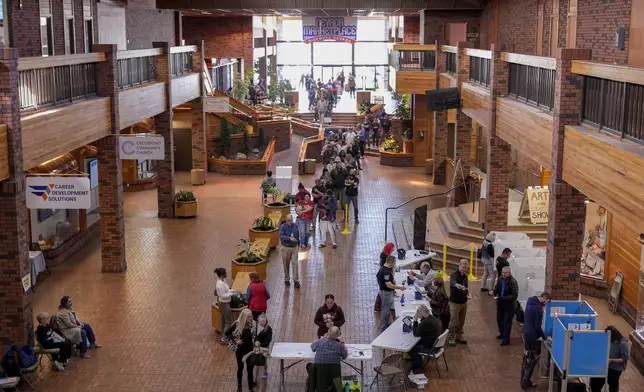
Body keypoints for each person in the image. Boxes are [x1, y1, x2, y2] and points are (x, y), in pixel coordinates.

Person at [520, 291, 550, 389]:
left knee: (526, 357)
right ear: (544, 298)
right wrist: (545, 337)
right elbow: (537, 327)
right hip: (532, 337)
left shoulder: (530, 300)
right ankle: (525, 381)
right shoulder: (538, 309)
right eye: (547, 302)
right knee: (533, 359)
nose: (545, 305)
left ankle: (523, 379)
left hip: (525, 334)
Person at [590, 325, 630, 392]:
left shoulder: (623, 344)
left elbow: (624, 359)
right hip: (605, 366)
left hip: (615, 368)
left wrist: (611, 360)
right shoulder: (609, 340)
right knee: (595, 382)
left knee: (613, 385)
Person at [225, 309, 256, 392]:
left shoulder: (253, 324)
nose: (251, 319)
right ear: (244, 318)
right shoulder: (237, 324)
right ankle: (239, 386)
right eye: (248, 317)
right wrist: (236, 340)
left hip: (250, 351)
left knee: (250, 370)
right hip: (240, 351)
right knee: (240, 368)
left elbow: (255, 336)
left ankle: (250, 388)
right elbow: (227, 333)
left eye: (251, 316)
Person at [309, 326, 347, 392]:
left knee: (320, 384)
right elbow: (344, 356)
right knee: (338, 385)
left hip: (320, 371)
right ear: (338, 335)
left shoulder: (320, 341)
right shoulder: (339, 345)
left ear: (328, 332)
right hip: (335, 373)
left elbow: (312, 347)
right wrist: (342, 343)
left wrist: (323, 338)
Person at [409, 305, 442, 373]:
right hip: (435, 343)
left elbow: (415, 333)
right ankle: (419, 362)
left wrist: (415, 321)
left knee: (411, 348)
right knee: (415, 344)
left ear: (421, 313)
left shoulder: (426, 322)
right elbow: (421, 329)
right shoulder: (431, 318)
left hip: (431, 347)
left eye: (417, 313)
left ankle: (418, 367)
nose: (416, 314)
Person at [377, 255, 405, 331]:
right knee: (385, 310)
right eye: (394, 262)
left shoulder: (384, 268)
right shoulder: (386, 272)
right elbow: (388, 284)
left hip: (385, 291)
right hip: (386, 293)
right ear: (390, 262)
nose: (395, 264)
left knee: (386, 309)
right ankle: (384, 327)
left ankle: (385, 324)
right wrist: (399, 288)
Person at [494, 266, 519, 346]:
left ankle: (506, 339)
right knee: (499, 320)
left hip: (509, 305)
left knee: (507, 322)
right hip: (500, 303)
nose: (503, 274)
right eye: (502, 272)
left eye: (505, 273)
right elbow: (497, 287)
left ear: (509, 273)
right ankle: (502, 334)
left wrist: (503, 298)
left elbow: (514, 295)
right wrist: (494, 291)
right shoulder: (500, 278)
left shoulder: (513, 282)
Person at [448, 260, 470, 346]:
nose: (464, 269)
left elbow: (466, 287)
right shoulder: (454, 275)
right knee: (454, 321)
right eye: (463, 267)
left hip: (464, 302)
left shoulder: (465, 276)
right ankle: (451, 337)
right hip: (455, 302)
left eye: (465, 267)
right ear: (459, 265)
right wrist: (457, 285)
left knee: (461, 321)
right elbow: (453, 282)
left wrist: (468, 293)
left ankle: (459, 335)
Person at [215, 268, 236, 343]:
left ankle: (223, 335)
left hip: (225, 302)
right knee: (229, 321)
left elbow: (226, 290)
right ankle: (224, 338)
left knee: (224, 320)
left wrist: (232, 290)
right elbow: (223, 295)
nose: (226, 274)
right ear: (222, 274)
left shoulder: (223, 281)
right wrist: (232, 294)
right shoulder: (219, 284)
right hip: (224, 303)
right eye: (225, 273)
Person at [279, 214, 300, 288]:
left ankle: (296, 280)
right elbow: (281, 236)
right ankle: (287, 279)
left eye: (290, 220)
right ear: (286, 220)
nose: (289, 222)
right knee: (286, 264)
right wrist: (289, 238)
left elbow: (297, 236)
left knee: (295, 264)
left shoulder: (295, 226)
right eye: (288, 220)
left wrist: (298, 245)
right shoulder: (283, 227)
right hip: (286, 248)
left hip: (294, 247)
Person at [251, 314, 273, 382]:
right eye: (261, 322)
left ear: (266, 321)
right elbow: (254, 336)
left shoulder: (268, 328)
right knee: (257, 362)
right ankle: (255, 378)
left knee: (264, 361)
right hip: (257, 347)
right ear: (258, 321)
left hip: (265, 347)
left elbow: (269, 339)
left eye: (264, 321)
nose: (262, 323)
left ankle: (265, 372)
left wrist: (261, 344)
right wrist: (256, 342)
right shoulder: (256, 327)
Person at [374, 242, 396, 311]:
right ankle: (378, 306)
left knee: (381, 291)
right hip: (382, 276)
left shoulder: (383, 254)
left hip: (380, 275)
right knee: (382, 291)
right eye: (392, 249)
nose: (393, 250)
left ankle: (378, 306)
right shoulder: (386, 257)